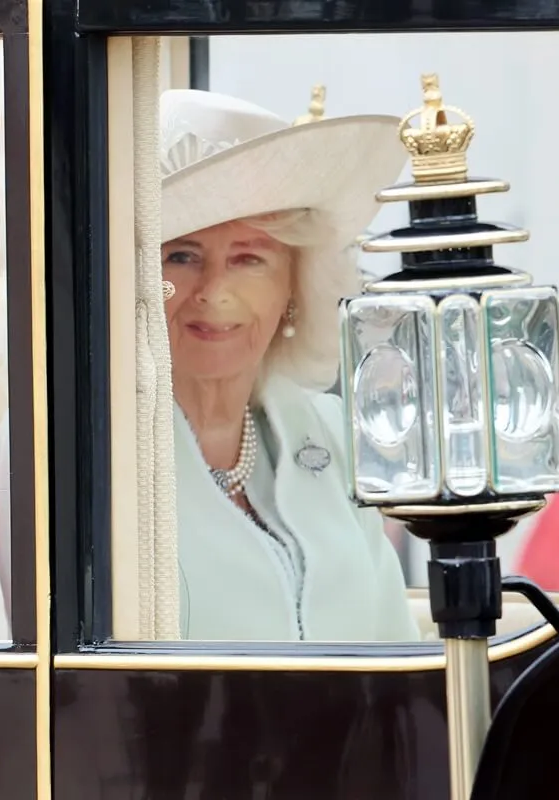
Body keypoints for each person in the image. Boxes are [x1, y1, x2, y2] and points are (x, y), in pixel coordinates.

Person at [159, 88, 420, 641]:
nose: (214, 292)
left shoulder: (333, 434)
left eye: (249, 258)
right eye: (181, 255)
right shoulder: (81, 453)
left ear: (295, 285)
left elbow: (397, 656)